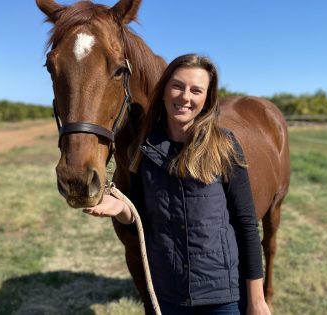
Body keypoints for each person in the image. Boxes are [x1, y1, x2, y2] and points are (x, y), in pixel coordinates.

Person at [83, 54, 270, 315]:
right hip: (168, 294)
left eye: (196, 90)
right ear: (163, 91)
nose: (185, 97)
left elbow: (246, 224)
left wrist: (257, 300)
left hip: (223, 296)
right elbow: (139, 218)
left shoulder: (224, 146)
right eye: (178, 86)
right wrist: (119, 207)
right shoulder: (144, 149)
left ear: (207, 98)